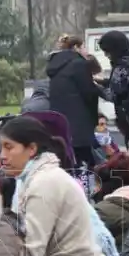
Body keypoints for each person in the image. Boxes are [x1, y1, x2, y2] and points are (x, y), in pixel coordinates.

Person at [0, 117, 114, 256]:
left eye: (9, 147)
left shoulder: (44, 183)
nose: (2, 155)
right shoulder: (32, 177)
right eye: (1, 148)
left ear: (31, 149)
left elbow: (31, 254)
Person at [47, 35, 103, 167]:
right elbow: (88, 92)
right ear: (76, 47)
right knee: (86, 161)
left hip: (60, 120)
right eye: (84, 47)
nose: (86, 51)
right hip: (79, 121)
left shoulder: (55, 66)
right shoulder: (79, 64)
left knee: (68, 160)